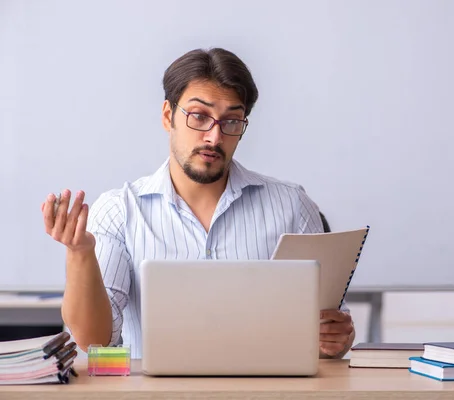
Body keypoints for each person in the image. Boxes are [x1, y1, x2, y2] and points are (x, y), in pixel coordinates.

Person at [41, 48, 355, 359]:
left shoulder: (293, 206)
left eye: (232, 120)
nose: (214, 137)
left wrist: (335, 339)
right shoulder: (119, 212)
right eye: (199, 116)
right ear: (168, 116)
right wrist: (80, 253)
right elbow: (93, 341)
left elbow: (326, 334)